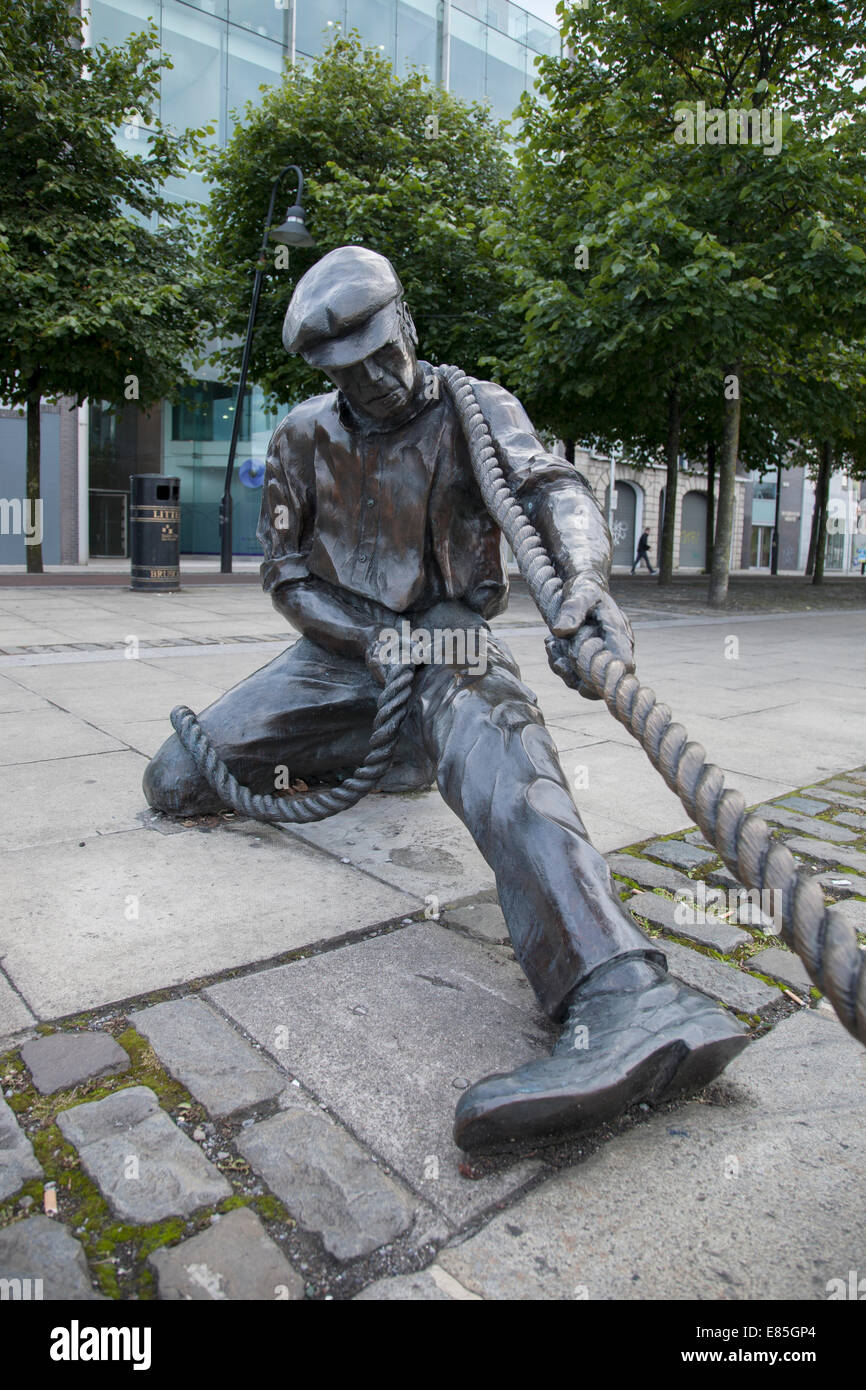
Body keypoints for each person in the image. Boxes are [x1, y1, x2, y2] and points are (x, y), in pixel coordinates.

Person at [143, 246, 747, 1151]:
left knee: (503, 754)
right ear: (321, 372)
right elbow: (284, 574)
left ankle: (623, 992)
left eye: (387, 352)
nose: (380, 379)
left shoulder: (478, 408)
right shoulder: (304, 436)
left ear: (409, 326)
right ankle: (385, 751)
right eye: (352, 370)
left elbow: (555, 494)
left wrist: (583, 583)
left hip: (450, 636)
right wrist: (368, 640)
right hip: (345, 652)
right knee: (178, 777)